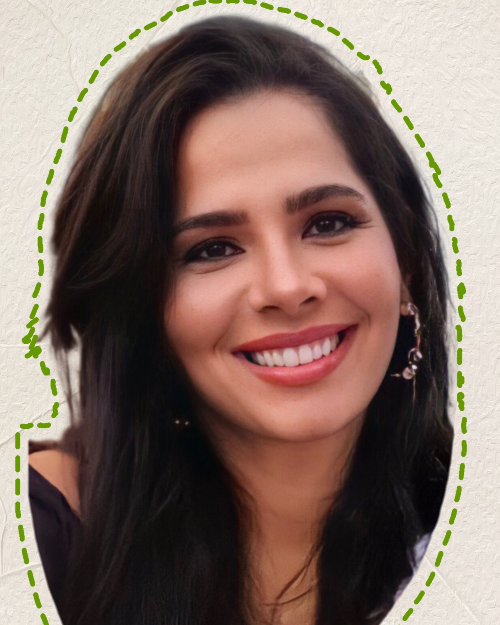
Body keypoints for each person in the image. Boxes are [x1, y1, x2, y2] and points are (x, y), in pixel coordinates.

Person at [28, 15, 453, 625]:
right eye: (212, 249)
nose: (287, 287)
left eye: (328, 223)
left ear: (405, 255)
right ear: (138, 306)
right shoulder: (33, 537)